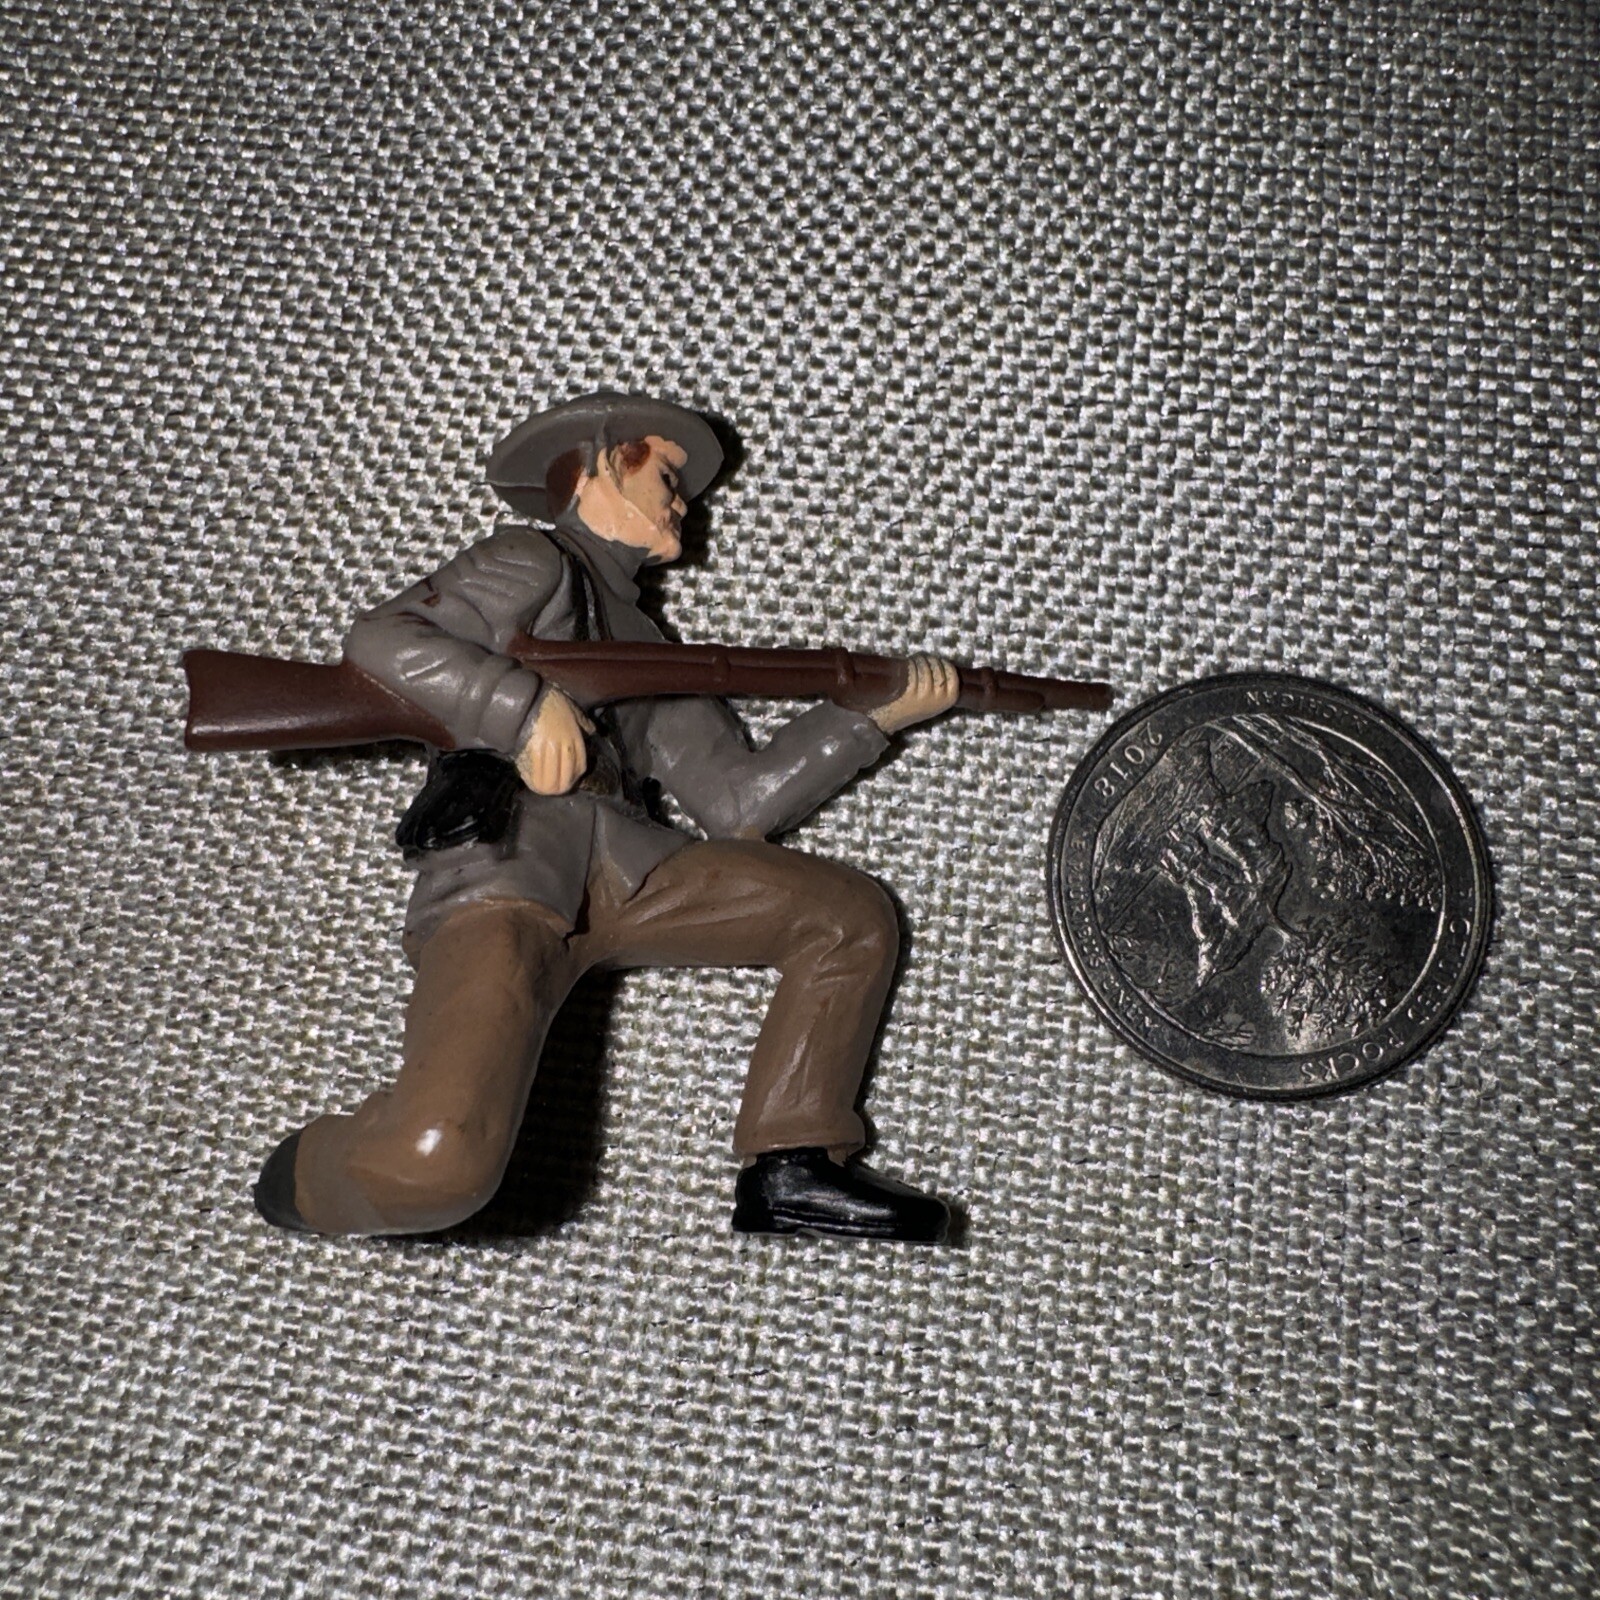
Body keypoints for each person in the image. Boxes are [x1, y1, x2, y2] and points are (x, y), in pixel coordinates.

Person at [253, 392, 960, 1241]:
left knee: (843, 915)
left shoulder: (647, 646)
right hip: (515, 867)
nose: (682, 502)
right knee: (435, 1164)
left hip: (633, 869)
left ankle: (794, 1160)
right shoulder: (531, 562)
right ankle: (306, 1176)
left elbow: (736, 803)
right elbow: (384, 638)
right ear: (598, 469)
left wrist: (866, 719)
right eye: (666, 477)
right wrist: (521, 709)